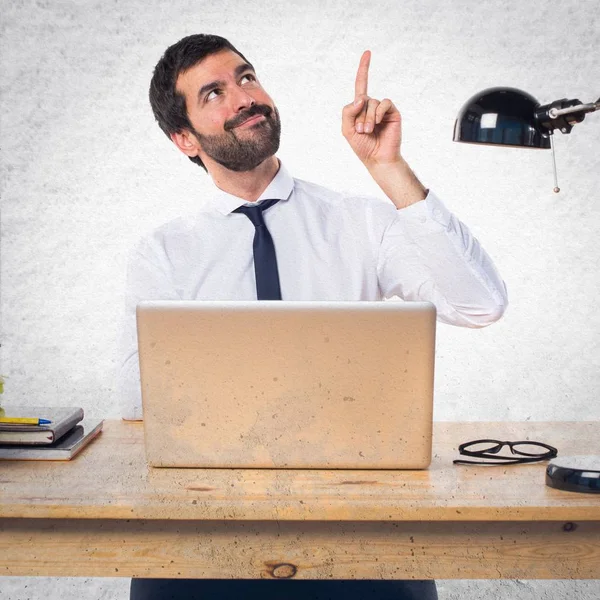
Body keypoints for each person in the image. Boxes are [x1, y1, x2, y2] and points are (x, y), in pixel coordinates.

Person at [120, 33, 508, 600]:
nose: (243, 98)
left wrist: (391, 168)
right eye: (214, 93)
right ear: (184, 139)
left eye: (246, 77)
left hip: (361, 522)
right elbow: (138, 404)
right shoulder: (163, 253)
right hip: (208, 525)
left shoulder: (363, 220)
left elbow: (481, 305)